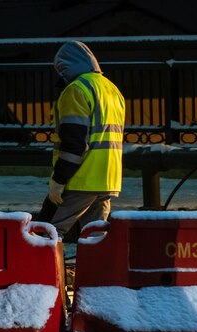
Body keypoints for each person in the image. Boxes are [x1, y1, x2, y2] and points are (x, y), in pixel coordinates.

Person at [45, 40, 125, 238]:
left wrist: (59, 180)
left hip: (81, 178)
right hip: (108, 178)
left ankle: (46, 270)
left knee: (47, 231)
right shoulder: (112, 89)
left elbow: (74, 143)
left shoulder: (76, 90)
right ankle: (96, 269)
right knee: (95, 236)